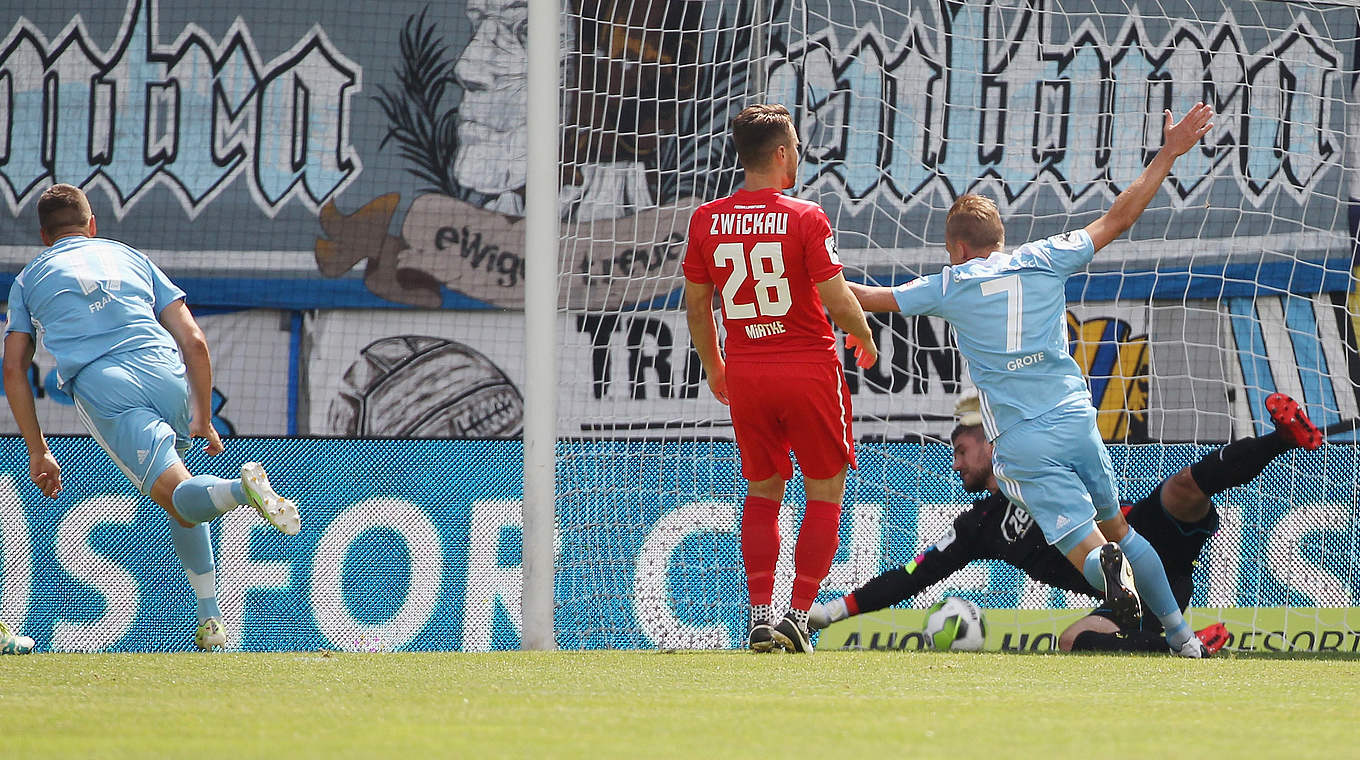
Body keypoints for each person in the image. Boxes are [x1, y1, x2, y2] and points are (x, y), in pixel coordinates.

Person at [849, 103, 1216, 656]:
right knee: (1121, 529)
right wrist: (1168, 153)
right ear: (1000, 237)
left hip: (1024, 441)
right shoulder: (1046, 257)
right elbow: (1119, 217)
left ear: (958, 249)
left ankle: (1105, 571)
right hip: (1076, 419)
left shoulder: (952, 284)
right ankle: (1185, 640)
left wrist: (809, 270)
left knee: (1085, 551)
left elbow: (867, 299)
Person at [2, 184, 301, 651]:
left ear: (44, 236)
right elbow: (195, 341)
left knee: (180, 497)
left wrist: (38, 449)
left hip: (107, 387)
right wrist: (203, 416)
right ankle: (211, 622)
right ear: (92, 224)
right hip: (166, 373)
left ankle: (241, 491)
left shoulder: (29, 279)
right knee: (180, 498)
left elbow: (13, 368)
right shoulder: (130, 257)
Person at [809, 391, 1324, 653]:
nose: (956, 462)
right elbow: (912, 576)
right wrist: (826, 615)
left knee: (1185, 487)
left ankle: (1282, 437)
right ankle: (1179, 641)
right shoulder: (977, 526)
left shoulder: (1036, 465)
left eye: (961, 450)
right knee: (1073, 641)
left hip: (1133, 536)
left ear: (990, 443)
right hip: (1131, 591)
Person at [683, 104, 879, 653]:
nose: (798, 155)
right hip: (807, 367)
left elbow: (697, 308)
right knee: (825, 489)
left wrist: (716, 367)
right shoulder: (806, 216)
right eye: (793, 146)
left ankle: (759, 615)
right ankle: (797, 615)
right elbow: (837, 299)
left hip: (746, 370)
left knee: (763, 490)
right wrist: (864, 336)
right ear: (779, 154)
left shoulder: (705, 220)